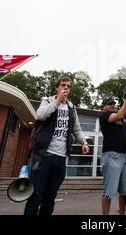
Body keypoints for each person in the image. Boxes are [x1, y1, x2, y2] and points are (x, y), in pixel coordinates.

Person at [24, 76, 90, 216]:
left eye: (68, 86)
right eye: (63, 85)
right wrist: (57, 101)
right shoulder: (48, 101)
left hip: (60, 159)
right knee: (36, 195)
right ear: (57, 87)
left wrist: (83, 142)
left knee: (50, 198)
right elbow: (40, 116)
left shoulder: (72, 108)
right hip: (43, 157)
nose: (66, 88)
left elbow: (76, 129)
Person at [99, 97, 126, 215]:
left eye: (114, 104)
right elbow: (119, 115)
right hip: (111, 156)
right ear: (104, 106)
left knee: (125, 191)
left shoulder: (117, 117)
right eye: (110, 104)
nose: (113, 105)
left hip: (124, 156)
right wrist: (125, 101)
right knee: (108, 192)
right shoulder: (104, 115)